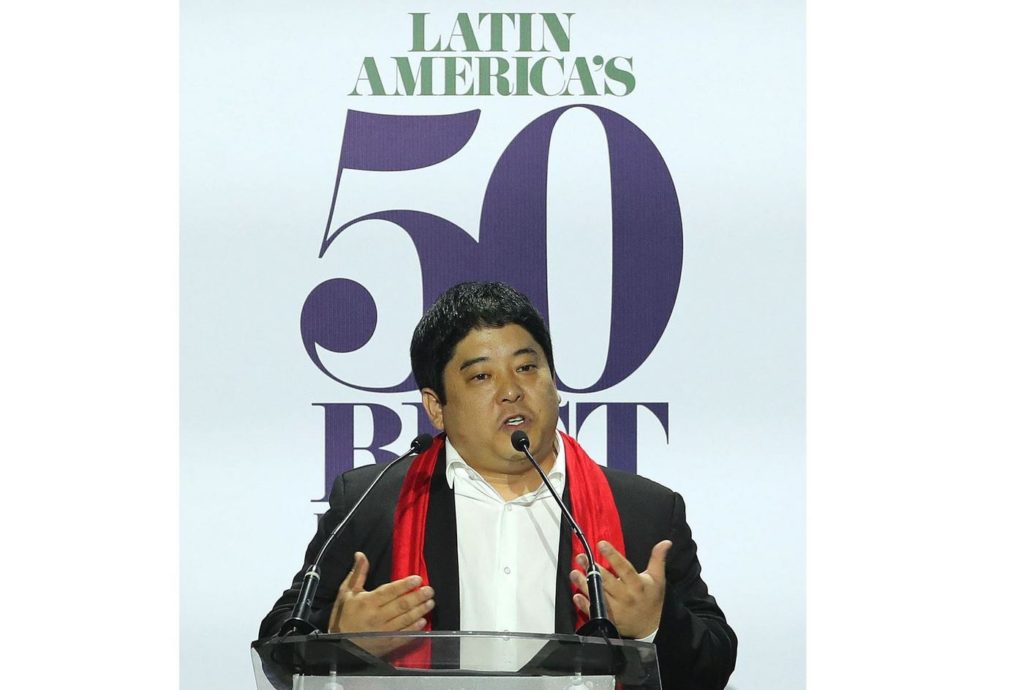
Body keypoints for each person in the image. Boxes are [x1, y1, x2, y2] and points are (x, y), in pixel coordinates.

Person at [259, 282, 737, 689]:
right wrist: (340, 640)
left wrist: (653, 626)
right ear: (436, 407)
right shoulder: (373, 502)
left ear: (554, 382)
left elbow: (714, 664)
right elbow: (281, 643)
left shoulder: (644, 510)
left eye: (527, 367)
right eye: (482, 376)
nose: (511, 391)